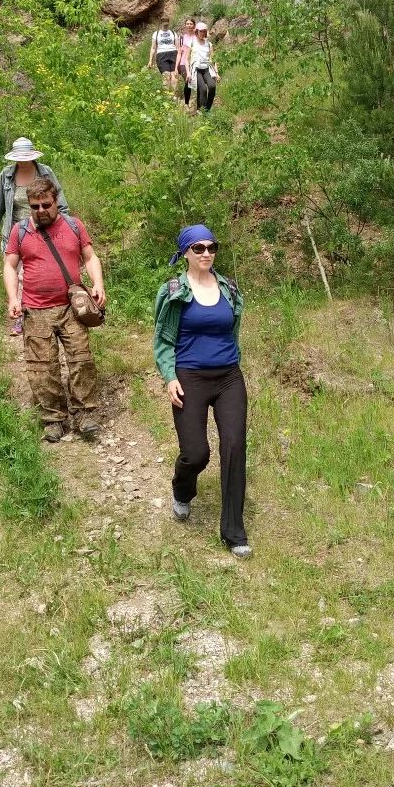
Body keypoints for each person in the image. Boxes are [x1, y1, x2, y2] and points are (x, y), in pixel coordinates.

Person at [153, 225, 250, 557]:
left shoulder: (231, 289)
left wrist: (230, 363)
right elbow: (163, 341)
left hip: (228, 378)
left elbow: (232, 332)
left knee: (235, 446)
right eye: (198, 248)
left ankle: (234, 532)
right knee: (196, 453)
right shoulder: (172, 292)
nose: (207, 253)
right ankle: (182, 489)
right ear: (185, 254)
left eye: (211, 247)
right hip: (189, 377)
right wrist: (170, 377)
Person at [5, 177, 106, 442]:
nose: (41, 211)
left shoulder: (74, 226)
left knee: (81, 359)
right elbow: (9, 265)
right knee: (41, 368)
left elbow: (90, 256)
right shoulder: (20, 231)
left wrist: (98, 284)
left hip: (72, 307)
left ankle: (85, 414)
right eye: (35, 206)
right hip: (35, 310)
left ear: (56, 201)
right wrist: (12, 298)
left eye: (46, 205)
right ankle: (53, 418)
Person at [0, 137, 69, 335]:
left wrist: (65, 223)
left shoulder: (45, 172)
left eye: (26, 157)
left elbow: (59, 200)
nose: (22, 161)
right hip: (15, 231)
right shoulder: (7, 175)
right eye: (19, 158)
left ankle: (42, 311)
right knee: (14, 273)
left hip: (43, 229)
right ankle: (19, 314)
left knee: (32, 274)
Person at [189, 22, 219, 113]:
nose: (202, 33)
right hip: (196, 69)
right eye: (200, 31)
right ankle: (201, 111)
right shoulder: (192, 43)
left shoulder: (209, 44)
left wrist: (217, 73)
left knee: (212, 86)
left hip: (206, 68)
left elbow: (213, 59)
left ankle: (207, 109)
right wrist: (188, 72)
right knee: (203, 89)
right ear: (197, 32)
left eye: (204, 31)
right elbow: (186, 58)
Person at [148, 17, 179, 90]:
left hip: (173, 53)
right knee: (166, 75)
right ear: (161, 23)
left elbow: (177, 47)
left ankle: (173, 96)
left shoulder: (173, 33)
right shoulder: (156, 34)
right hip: (161, 54)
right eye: (164, 22)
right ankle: (167, 96)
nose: (165, 24)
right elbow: (153, 48)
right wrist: (150, 60)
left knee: (174, 76)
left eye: (167, 22)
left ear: (168, 22)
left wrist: (179, 57)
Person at [175, 16, 196, 109]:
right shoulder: (182, 38)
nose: (189, 25)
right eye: (187, 24)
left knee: (195, 82)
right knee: (188, 81)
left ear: (194, 25)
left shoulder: (198, 36)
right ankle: (187, 103)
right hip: (183, 63)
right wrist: (176, 68)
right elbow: (179, 53)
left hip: (195, 62)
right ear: (185, 25)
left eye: (191, 24)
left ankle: (196, 102)